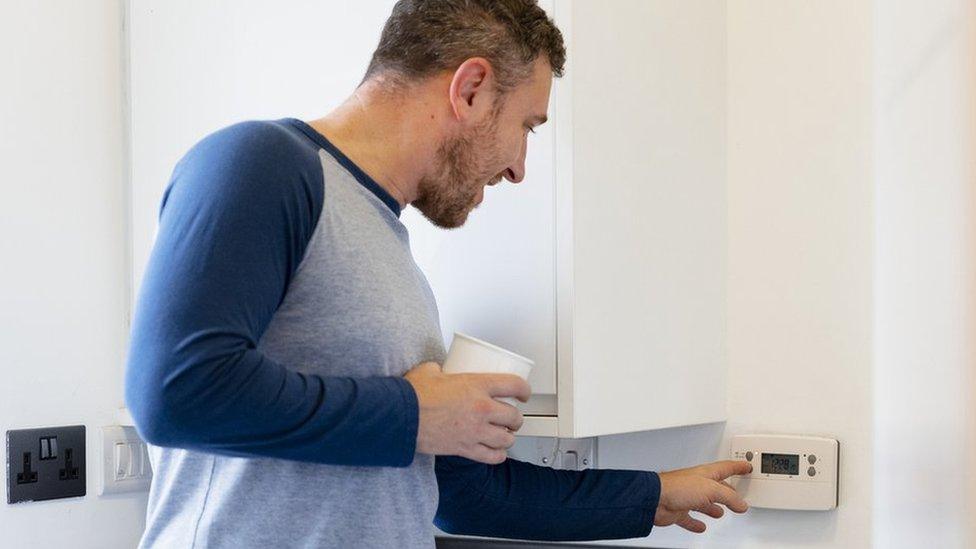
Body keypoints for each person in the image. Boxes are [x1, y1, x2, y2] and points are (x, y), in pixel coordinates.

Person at [124, 1, 752, 547]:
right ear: (471, 88)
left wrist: (652, 496)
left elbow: (456, 496)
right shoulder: (263, 165)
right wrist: (413, 415)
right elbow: (176, 393)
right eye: (526, 127)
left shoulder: (392, 252)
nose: (519, 168)